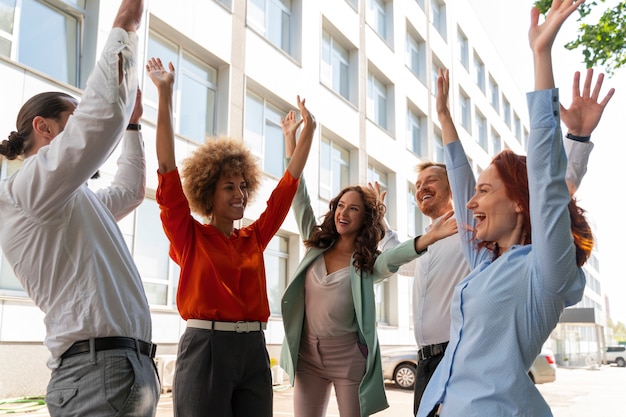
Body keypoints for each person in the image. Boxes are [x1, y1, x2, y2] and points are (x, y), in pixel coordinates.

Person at [374, 64, 613, 415]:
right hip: (438, 388)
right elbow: (464, 181)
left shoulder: (539, 266)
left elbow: (547, 190)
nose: (469, 201)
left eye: (481, 192)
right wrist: (442, 115)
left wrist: (542, 56)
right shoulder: (482, 260)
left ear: (516, 202)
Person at [0, 1, 161, 416]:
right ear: (44, 126)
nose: (80, 125)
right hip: (96, 373)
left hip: (124, 369)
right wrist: (125, 25)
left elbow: (129, 191)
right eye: (71, 117)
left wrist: (133, 127)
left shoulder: (72, 199)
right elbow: (99, 120)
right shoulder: (27, 187)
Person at [147, 56, 316, 417]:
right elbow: (166, 168)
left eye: (242, 186)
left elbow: (287, 188)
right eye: (228, 187)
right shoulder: (189, 235)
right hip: (206, 346)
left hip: (254, 348)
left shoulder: (253, 237)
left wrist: (305, 135)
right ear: (209, 193)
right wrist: (164, 94)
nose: (239, 193)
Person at [279, 116, 458, 416]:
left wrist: (429, 237)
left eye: (354, 208)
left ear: (364, 218)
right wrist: (290, 141)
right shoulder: (316, 242)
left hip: (348, 357)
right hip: (307, 355)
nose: (343, 212)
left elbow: (393, 258)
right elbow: (298, 196)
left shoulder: (365, 264)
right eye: (340, 206)